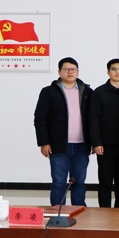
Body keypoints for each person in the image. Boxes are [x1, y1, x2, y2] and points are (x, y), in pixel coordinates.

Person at [34, 57, 93, 207]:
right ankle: (57, 212)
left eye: (73, 69)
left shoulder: (87, 92)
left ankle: (79, 212)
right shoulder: (49, 92)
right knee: (59, 182)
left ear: (78, 72)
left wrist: (94, 142)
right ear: (59, 72)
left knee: (79, 182)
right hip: (58, 145)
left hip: (82, 145)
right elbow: (40, 119)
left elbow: (94, 119)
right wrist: (44, 142)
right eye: (66, 69)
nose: (70, 72)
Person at [89, 58, 119, 208]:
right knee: (105, 181)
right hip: (105, 145)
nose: (117, 72)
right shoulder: (99, 93)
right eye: (114, 69)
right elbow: (93, 119)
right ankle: (104, 211)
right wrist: (96, 142)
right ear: (108, 72)